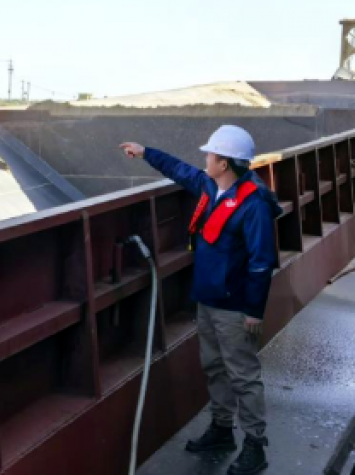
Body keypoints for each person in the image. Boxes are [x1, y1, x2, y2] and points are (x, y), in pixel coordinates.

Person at [120, 125, 280, 475]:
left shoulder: (253, 204)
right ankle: (222, 429)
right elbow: (180, 170)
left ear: (224, 163)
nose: (205, 159)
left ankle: (255, 446)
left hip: (235, 306)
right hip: (208, 299)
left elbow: (261, 261)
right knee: (214, 366)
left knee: (243, 375)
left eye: (210, 155)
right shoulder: (211, 186)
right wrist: (146, 152)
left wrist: (253, 311)